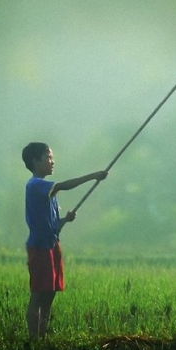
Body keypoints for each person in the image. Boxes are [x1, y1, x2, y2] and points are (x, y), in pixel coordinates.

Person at [21, 142, 107, 339]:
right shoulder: (35, 184)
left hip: (51, 245)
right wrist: (93, 176)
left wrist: (64, 221)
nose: (52, 162)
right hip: (40, 247)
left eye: (52, 158)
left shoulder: (48, 192)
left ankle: (42, 337)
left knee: (50, 293)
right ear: (35, 161)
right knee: (38, 295)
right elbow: (63, 185)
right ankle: (34, 340)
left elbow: (51, 224)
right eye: (48, 158)